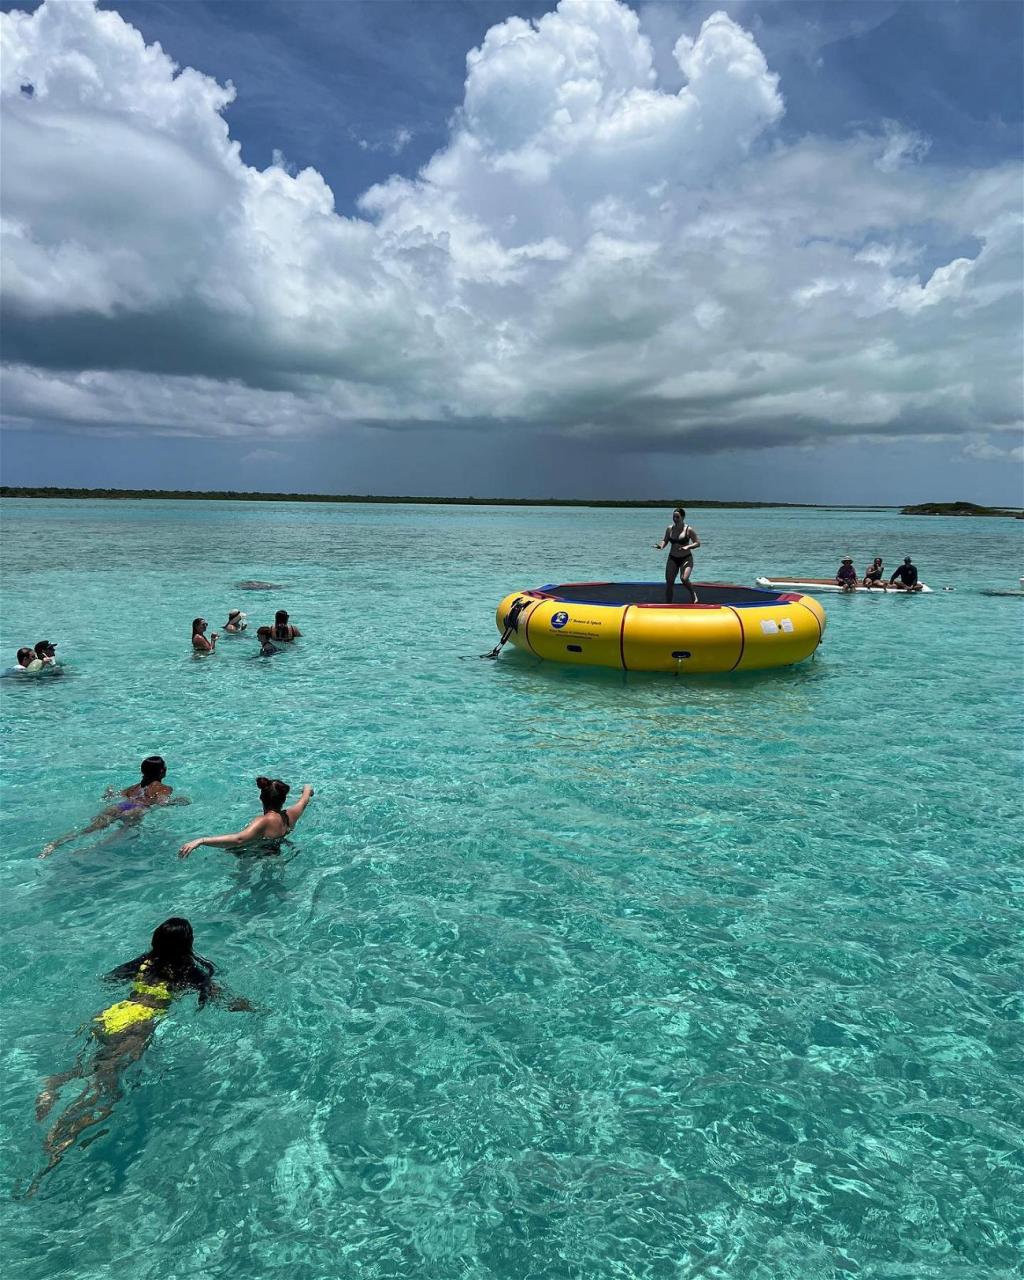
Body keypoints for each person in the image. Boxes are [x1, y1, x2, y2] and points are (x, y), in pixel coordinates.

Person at [29, 918, 251, 1194]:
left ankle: (53, 1084)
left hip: (111, 1015)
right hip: (137, 1026)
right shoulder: (188, 971)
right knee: (108, 1091)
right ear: (188, 944)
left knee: (87, 1067)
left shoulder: (143, 962)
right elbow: (222, 999)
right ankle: (62, 1139)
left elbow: (109, 980)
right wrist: (253, 1009)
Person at [40, 756, 187, 857]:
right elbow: (162, 802)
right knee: (120, 834)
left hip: (122, 805)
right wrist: (178, 802)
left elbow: (115, 796)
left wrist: (109, 793)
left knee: (89, 829)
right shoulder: (164, 788)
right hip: (137, 809)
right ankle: (90, 850)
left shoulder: (133, 787)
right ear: (162, 771)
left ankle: (55, 844)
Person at [179, 776, 314, 859]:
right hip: (274, 854)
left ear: (261, 798)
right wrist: (307, 789)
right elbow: (304, 799)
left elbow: (239, 839)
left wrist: (201, 840)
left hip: (253, 855)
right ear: (284, 799)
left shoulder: (263, 821)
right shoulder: (290, 815)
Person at [654, 507, 701, 603]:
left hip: (686, 558)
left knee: (684, 578)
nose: (675, 519)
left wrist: (688, 547)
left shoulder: (688, 529)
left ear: (683, 517)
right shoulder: (670, 528)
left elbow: (697, 543)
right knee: (669, 583)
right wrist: (661, 546)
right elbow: (665, 540)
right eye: (674, 517)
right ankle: (668, 605)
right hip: (673, 558)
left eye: (677, 517)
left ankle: (692, 593)